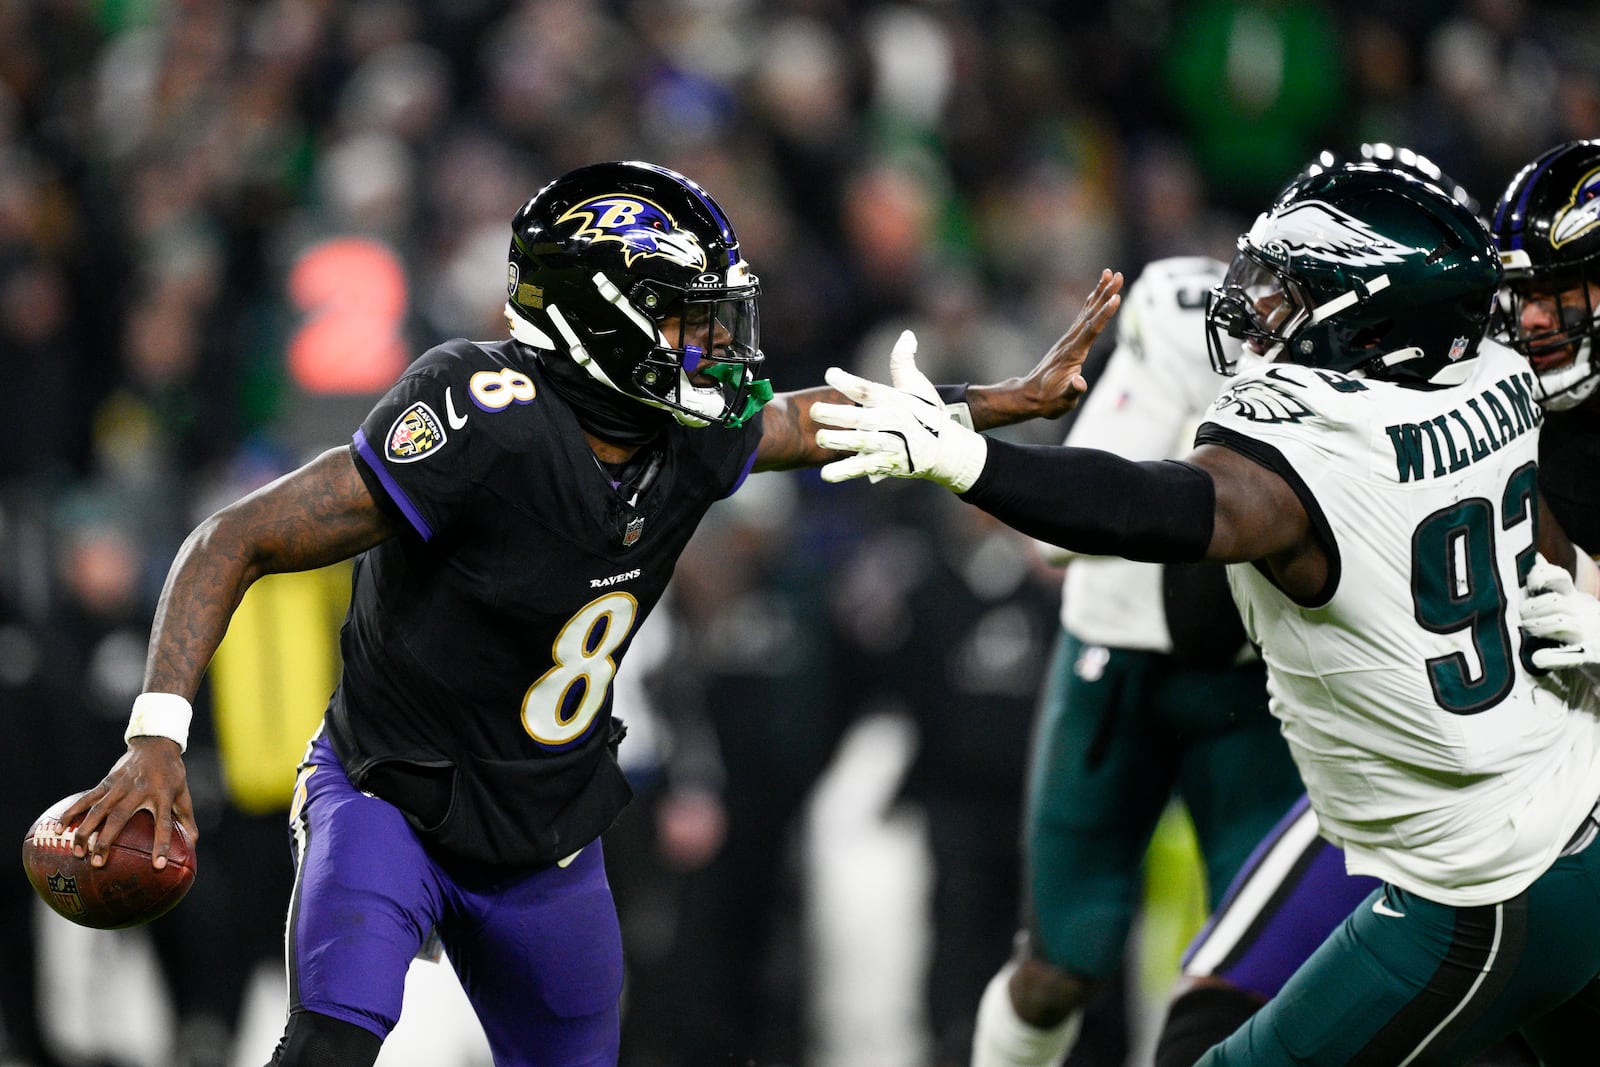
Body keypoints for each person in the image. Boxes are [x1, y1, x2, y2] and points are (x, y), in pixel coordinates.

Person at [58, 160, 1123, 1067]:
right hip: (395, 792)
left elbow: (814, 416)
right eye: (679, 314)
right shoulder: (479, 416)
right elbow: (232, 535)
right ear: (592, 315)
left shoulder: (697, 428)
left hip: (549, 830)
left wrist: (1002, 400)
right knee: (331, 1039)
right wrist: (156, 732)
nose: (708, 340)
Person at [812, 162, 1600, 1064]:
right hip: (1574, 819)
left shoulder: (1320, 451)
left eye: (1294, 295)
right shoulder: (1502, 377)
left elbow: (1157, 504)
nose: (1254, 313)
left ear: (1378, 319)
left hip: (1477, 882)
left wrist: (973, 462)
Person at [1151, 138, 1600, 1067]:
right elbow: (1196, 623)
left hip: (1554, 822)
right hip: (1446, 800)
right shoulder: (1467, 385)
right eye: (1520, 288)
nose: (1532, 318)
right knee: (1215, 1007)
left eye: (1566, 290)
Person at [966, 256, 1303, 1067]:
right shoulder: (1186, 326)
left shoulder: (1344, 368)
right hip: (1116, 673)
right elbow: (1054, 539)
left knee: (1266, 966)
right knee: (1057, 970)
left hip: (1249, 686)